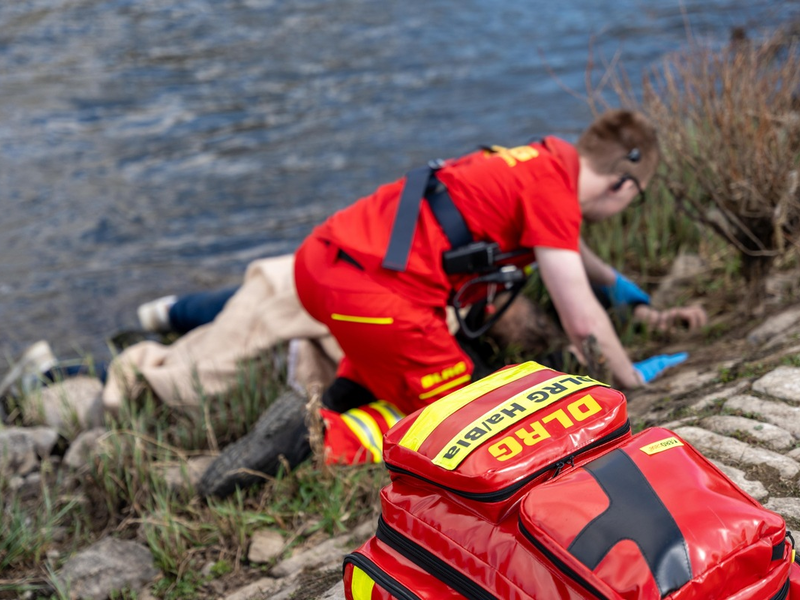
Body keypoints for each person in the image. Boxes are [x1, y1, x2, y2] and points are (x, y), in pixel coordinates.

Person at [197, 109, 708, 497]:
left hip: (330, 267)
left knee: (404, 369)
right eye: (632, 198)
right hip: (371, 293)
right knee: (467, 428)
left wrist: (640, 307)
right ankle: (316, 439)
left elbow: (577, 258)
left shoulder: (538, 162)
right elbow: (581, 319)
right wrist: (630, 380)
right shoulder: (552, 190)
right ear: (623, 183)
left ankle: (332, 401)